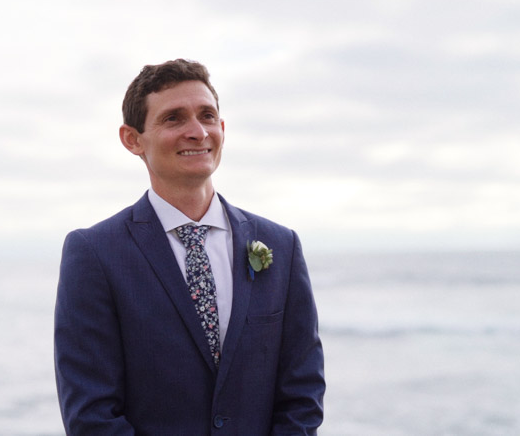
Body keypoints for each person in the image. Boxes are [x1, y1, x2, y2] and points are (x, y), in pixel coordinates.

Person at [54, 59, 325, 435]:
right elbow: (91, 413)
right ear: (133, 139)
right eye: (174, 119)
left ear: (222, 129)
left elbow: (302, 392)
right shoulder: (95, 253)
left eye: (207, 116)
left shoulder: (282, 245)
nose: (197, 132)